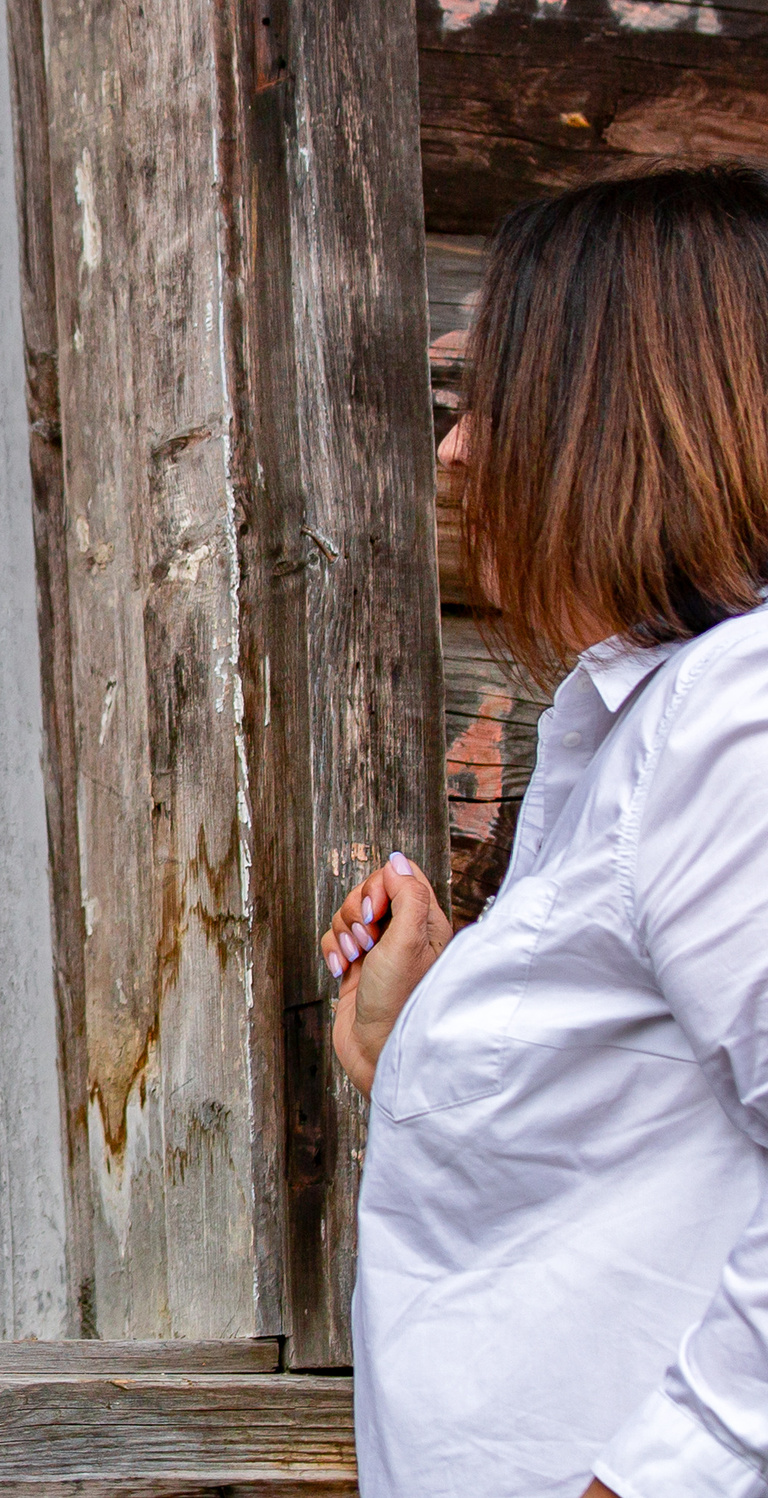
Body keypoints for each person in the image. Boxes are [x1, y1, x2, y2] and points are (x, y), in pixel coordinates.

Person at [334, 165, 768, 1498]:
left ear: (617, 411)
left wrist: (649, 1481)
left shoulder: (731, 727)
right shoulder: (634, 732)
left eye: (490, 400)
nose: (456, 450)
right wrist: (433, 1027)